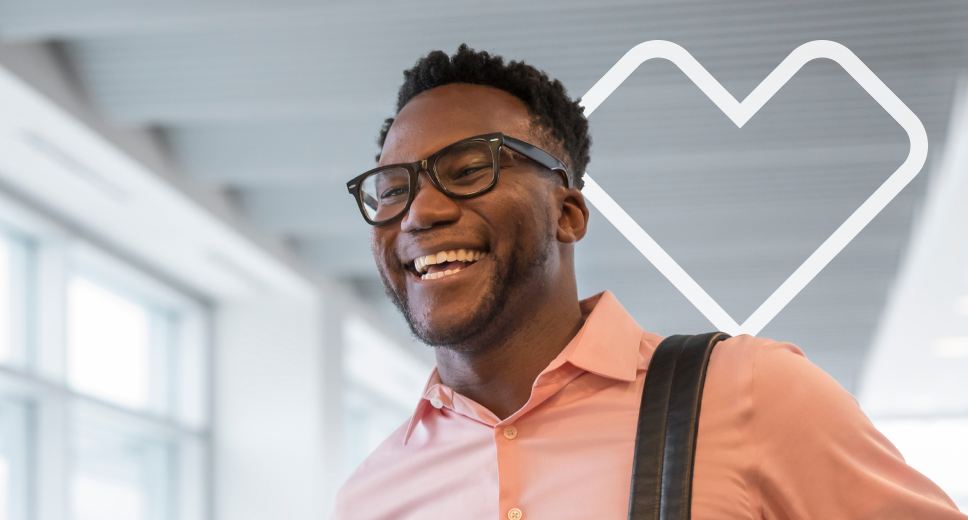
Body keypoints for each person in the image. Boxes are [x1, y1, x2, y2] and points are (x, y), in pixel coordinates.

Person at [332, 45, 964, 520]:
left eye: (470, 169)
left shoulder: (750, 393)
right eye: (391, 190)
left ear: (567, 214)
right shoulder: (371, 497)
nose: (418, 213)